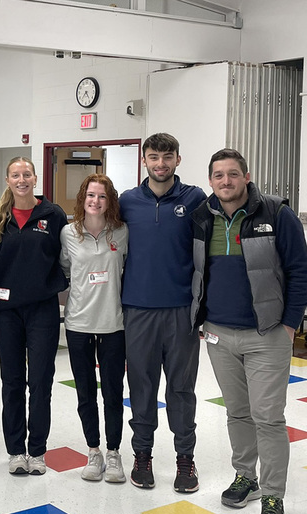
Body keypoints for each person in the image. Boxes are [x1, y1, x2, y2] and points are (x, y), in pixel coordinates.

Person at [191, 148, 307, 514]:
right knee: (237, 412)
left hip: (267, 333)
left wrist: (289, 326)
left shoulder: (276, 213)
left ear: (246, 176)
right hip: (219, 334)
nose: (226, 181)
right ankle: (246, 477)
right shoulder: (202, 218)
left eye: (233, 174)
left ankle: (273, 494)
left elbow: (299, 271)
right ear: (211, 180)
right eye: (219, 175)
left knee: (268, 417)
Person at [119, 133, 206, 492]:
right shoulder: (126, 202)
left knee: (182, 389)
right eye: (153, 157)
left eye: (166, 157)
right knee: (141, 386)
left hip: (181, 311)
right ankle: (142, 455)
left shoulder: (195, 198)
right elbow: (89, 223)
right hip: (138, 309)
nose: (160, 164)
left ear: (178, 160)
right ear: (145, 160)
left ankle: (185, 460)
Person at [0, 157, 67, 475]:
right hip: (6, 311)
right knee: (12, 382)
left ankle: (37, 451)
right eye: (15, 175)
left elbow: (67, 256)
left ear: (36, 179)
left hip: (42, 309)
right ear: (7, 180)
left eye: (26, 174)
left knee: (40, 382)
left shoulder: (53, 215)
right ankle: (15, 451)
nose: (21, 180)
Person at [59, 174, 128, 483]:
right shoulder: (68, 234)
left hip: (114, 323)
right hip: (79, 323)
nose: (95, 201)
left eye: (101, 196)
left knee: (113, 392)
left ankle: (113, 452)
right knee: (86, 392)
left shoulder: (122, 232)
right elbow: (64, 269)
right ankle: (94, 450)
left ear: (109, 200)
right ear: (82, 199)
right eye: (90, 196)